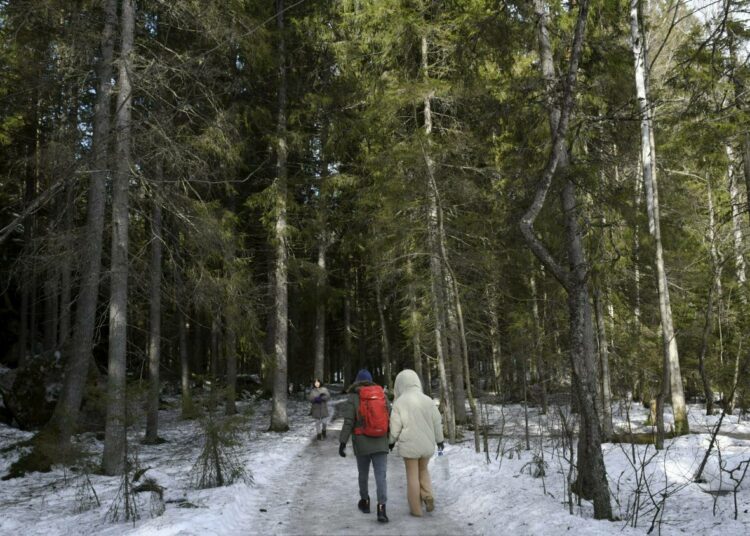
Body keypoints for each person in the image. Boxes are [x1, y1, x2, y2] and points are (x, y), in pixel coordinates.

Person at [388, 368, 444, 517]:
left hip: (410, 446)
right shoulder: (428, 400)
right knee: (423, 470)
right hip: (427, 445)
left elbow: (395, 427)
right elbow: (437, 422)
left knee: (412, 475)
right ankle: (427, 495)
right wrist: (440, 441)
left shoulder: (399, 403)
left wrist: (391, 442)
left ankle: (416, 510)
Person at [339, 369, 390, 523]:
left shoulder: (353, 397)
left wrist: (342, 442)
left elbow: (349, 422)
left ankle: (365, 502)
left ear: (356, 381)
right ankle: (381, 508)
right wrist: (391, 440)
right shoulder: (382, 395)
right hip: (381, 441)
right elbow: (389, 416)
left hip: (361, 441)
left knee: (363, 474)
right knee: (381, 476)